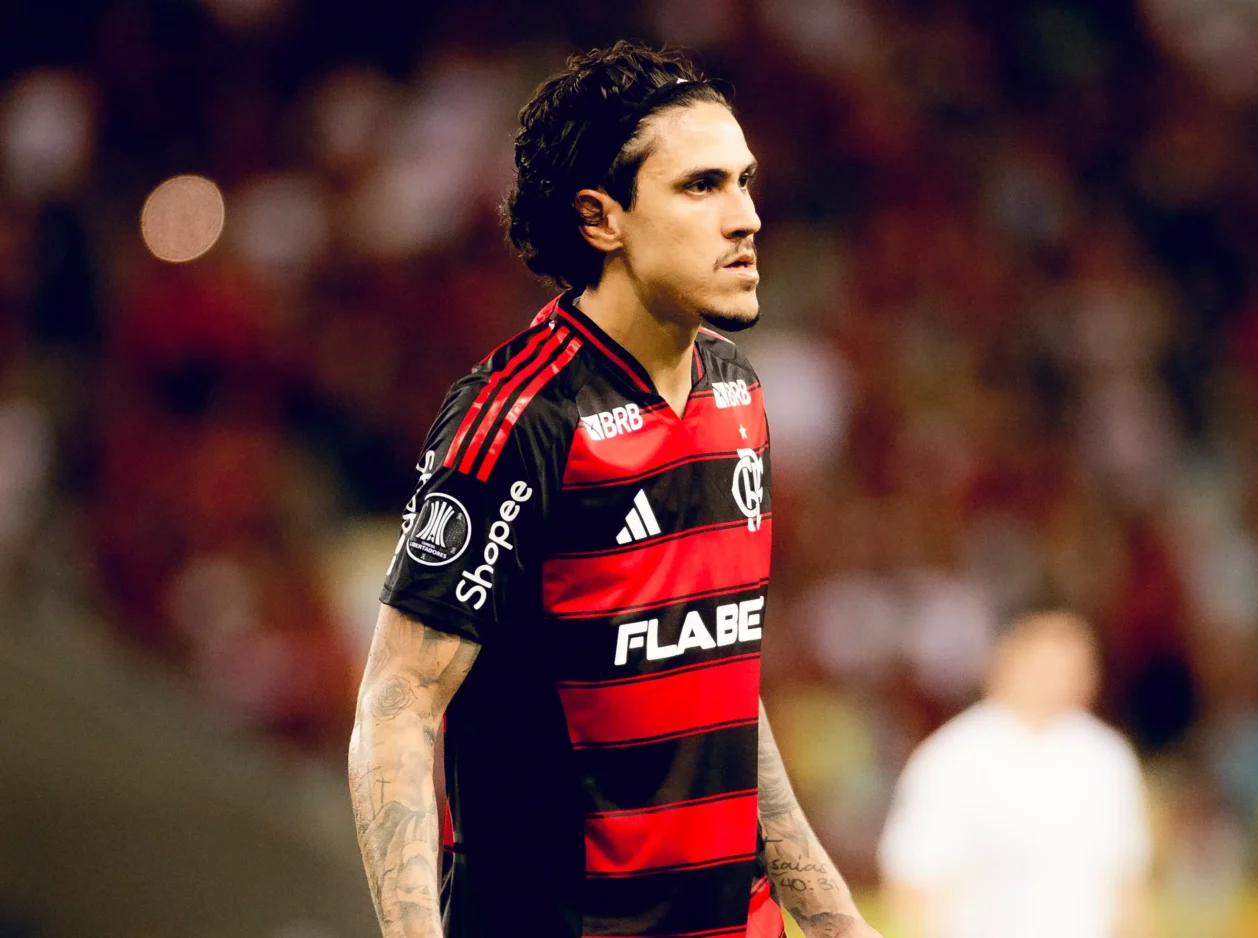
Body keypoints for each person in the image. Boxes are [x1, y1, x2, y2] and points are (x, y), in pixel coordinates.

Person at [348, 41, 882, 938]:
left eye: (745, 182)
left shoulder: (736, 391)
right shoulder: (520, 419)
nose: (746, 217)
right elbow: (398, 709)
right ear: (602, 220)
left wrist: (835, 922)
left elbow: (717, 688)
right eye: (702, 187)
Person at [878, 611, 1152, 938]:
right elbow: (911, 880)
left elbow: (1126, 884)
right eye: (1046, 669)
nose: (1060, 681)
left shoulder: (1106, 756)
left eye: (1073, 669)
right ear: (1008, 666)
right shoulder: (954, 757)